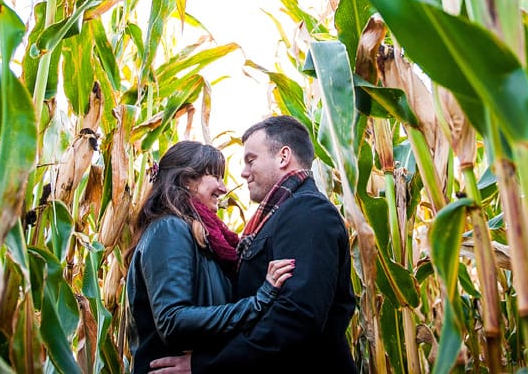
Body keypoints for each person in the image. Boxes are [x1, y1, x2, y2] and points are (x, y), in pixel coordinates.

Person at [150, 115, 357, 374]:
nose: (243, 173)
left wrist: (207, 364)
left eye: (251, 160)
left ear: (283, 157)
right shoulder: (278, 217)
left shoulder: (308, 212)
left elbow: (296, 318)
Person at [126, 140, 296, 374]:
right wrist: (258, 302)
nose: (224, 188)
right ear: (187, 180)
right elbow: (172, 320)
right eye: (216, 176)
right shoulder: (169, 230)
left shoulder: (202, 237)